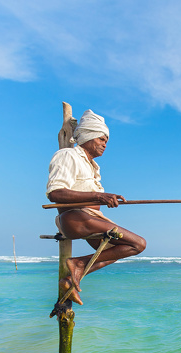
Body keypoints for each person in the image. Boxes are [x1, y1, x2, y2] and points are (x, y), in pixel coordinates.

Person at [46, 109, 146, 305]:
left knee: (121, 249)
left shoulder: (93, 167)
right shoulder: (68, 155)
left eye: (106, 141)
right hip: (75, 219)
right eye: (101, 139)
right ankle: (77, 264)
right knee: (139, 243)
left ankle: (70, 278)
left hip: (93, 221)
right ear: (89, 136)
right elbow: (55, 193)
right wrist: (99, 195)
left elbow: (92, 196)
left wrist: (105, 198)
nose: (105, 144)